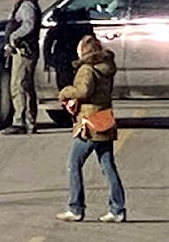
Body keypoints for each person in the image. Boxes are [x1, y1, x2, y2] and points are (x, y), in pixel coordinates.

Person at [55, 34, 126, 223]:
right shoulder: (106, 68)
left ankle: (75, 207)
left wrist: (65, 92)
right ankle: (117, 209)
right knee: (108, 166)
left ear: (84, 51)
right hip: (105, 119)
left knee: (73, 164)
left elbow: (84, 91)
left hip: (89, 123)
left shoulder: (86, 69)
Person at [1, 0, 42, 135]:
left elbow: (29, 25)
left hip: (24, 51)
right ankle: (28, 121)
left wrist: (14, 37)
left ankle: (21, 122)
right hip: (25, 50)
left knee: (19, 85)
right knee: (25, 85)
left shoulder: (26, 6)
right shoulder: (27, 4)